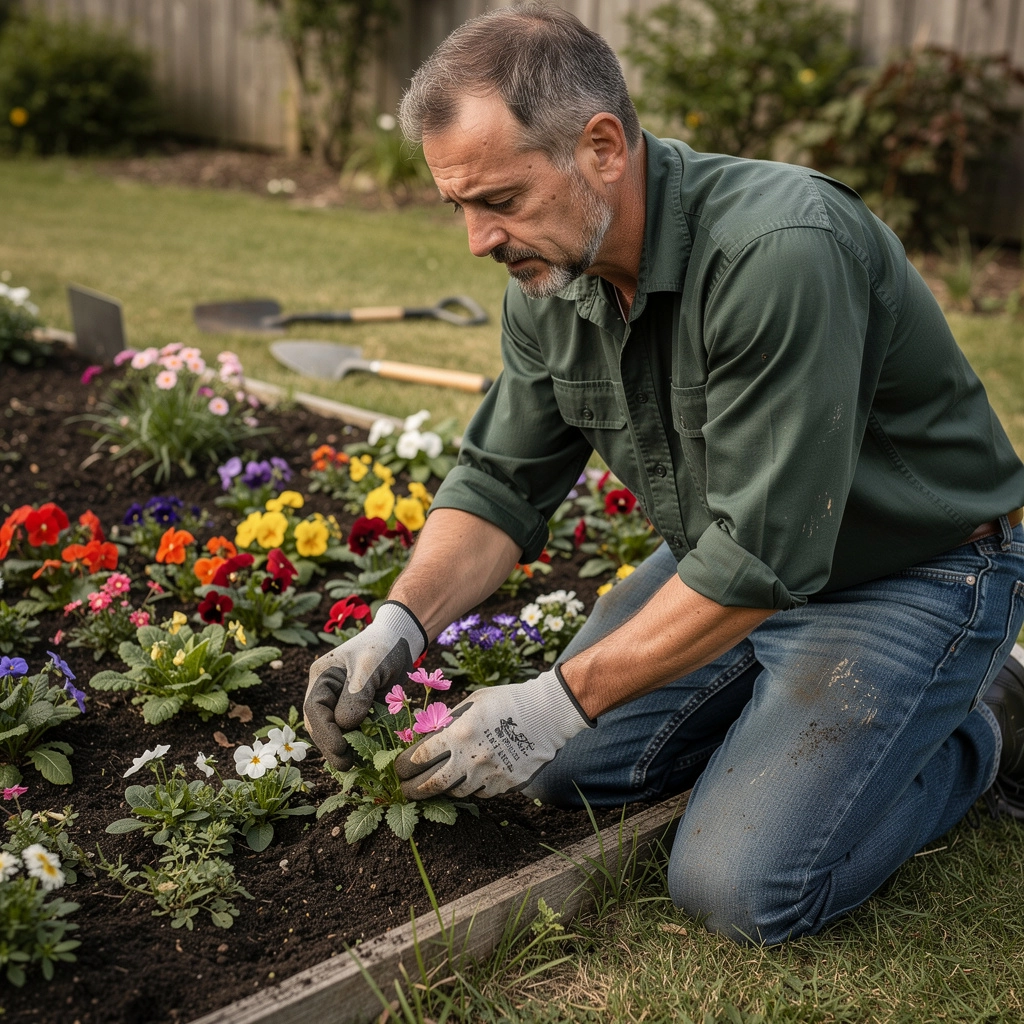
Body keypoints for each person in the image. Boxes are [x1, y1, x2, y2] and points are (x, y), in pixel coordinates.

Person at [305, 2, 1024, 944]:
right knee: (567, 771)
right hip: (728, 569)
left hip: (907, 574)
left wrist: (559, 698)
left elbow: (767, 551)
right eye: (459, 206)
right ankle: (821, 732)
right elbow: (498, 483)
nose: (478, 240)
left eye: (501, 201)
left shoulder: (781, 253)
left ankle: (987, 714)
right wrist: (397, 625)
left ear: (602, 145)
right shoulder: (554, 277)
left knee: (740, 887)